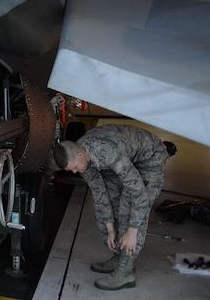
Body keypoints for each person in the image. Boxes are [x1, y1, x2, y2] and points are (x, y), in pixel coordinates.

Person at [53, 124, 173, 291]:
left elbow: (139, 194)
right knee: (112, 198)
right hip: (126, 157)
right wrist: (110, 229)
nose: (74, 172)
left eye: (74, 167)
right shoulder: (82, 158)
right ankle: (119, 256)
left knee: (130, 206)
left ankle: (126, 272)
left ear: (80, 154)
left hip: (150, 156)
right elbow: (100, 194)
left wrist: (132, 231)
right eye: (71, 169)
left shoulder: (107, 152)